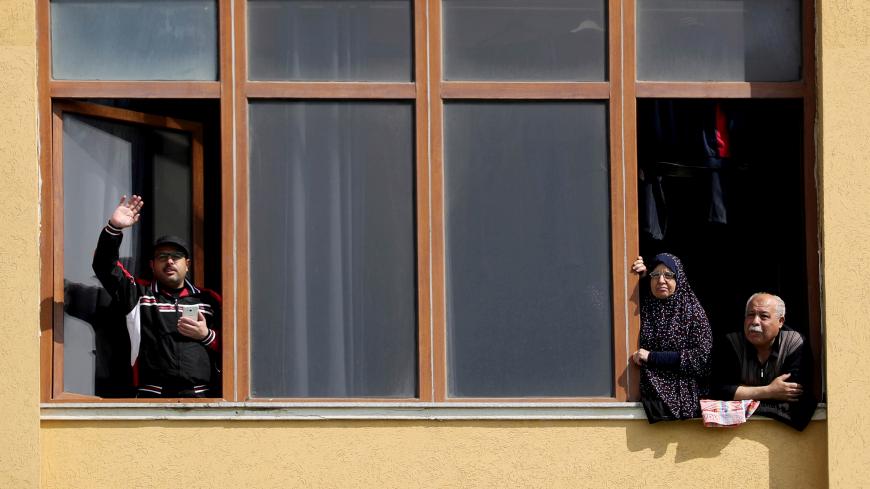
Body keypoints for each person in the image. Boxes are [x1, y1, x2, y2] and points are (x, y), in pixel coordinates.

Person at [92, 194, 221, 398]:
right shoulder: (139, 294)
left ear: (187, 265)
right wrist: (114, 228)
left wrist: (206, 335)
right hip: (151, 397)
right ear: (152, 265)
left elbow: (239, 349)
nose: (169, 261)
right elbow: (104, 266)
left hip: (202, 399)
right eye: (162, 257)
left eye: (176, 257)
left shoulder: (209, 300)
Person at [710, 293, 817, 430]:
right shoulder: (731, 343)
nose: (755, 321)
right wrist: (769, 391)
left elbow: (795, 398)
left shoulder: (795, 343)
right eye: (750, 315)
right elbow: (718, 392)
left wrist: (741, 395)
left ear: (780, 322)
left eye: (764, 316)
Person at [631, 253, 712, 422]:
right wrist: (637, 275)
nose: (661, 280)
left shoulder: (693, 313)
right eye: (656, 275)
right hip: (644, 400)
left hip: (684, 402)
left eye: (668, 275)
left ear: (679, 279)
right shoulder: (643, 307)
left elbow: (702, 359)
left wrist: (652, 357)